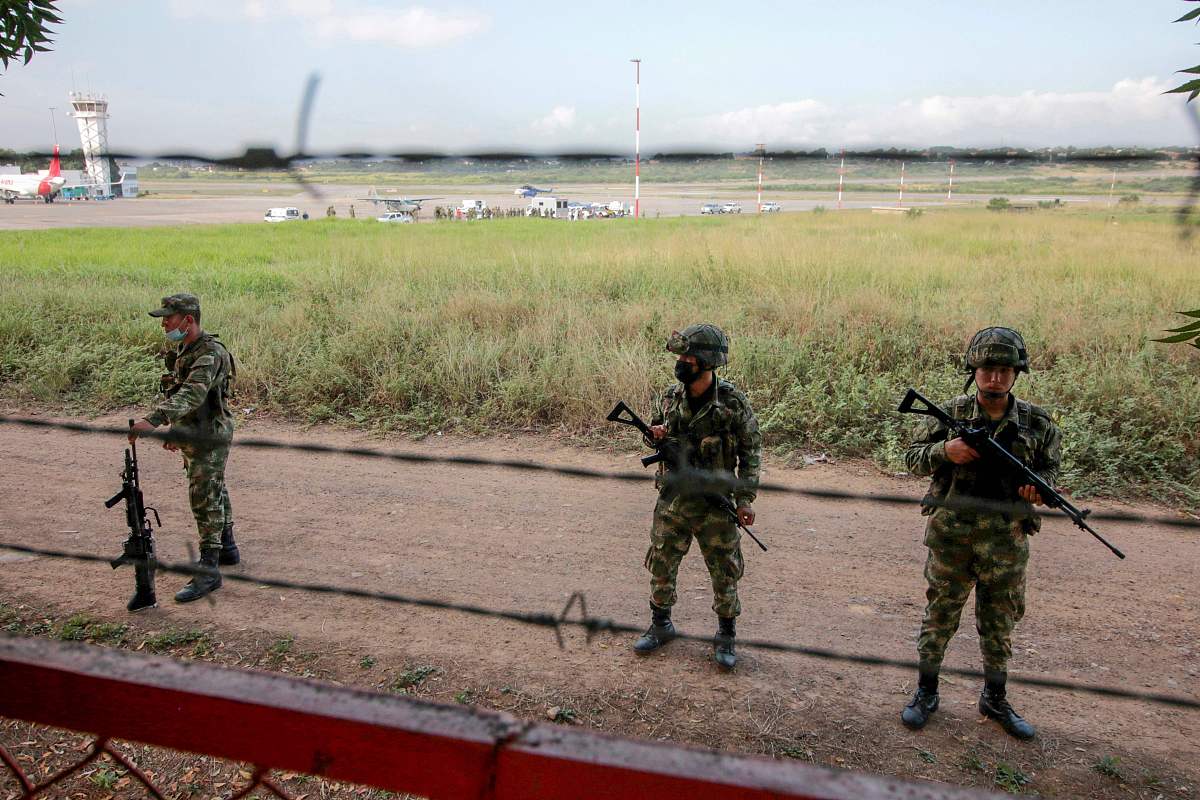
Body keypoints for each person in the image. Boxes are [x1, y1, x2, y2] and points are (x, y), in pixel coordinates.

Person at [900, 327, 1061, 740]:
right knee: (940, 617)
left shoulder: (1036, 422)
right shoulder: (949, 413)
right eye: (988, 368)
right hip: (951, 538)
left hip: (1006, 543)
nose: (995, 378)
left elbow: (1049, 470)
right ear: (974, 369)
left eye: (1004, 369)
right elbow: (911, 458)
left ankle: (995, 697)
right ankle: (926, 692)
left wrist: (1039, 489)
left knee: (999, 623)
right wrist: (945, 451)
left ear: (1016, 373)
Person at [635, 324, 762, 670]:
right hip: (674, 499)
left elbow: (752, 452)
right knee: (661, 563)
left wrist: (745, 499)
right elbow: (655, 435)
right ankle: (661, 625)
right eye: (679, 356)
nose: (681, 361)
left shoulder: (732, 403)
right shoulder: (669, 396)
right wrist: (655, 435)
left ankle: (725, 636)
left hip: (714, 504)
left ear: (706, 360)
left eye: (687, 356)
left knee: (724, 571)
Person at [129, 293, 239, 603]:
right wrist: (178, 430)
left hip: (210, 434)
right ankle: (227, 548)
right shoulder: (186, 349)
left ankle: (209, 568)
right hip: (196, 431)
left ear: (188, 320)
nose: (164, 322)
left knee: (203, 497)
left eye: (169, 317)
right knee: (214, 488)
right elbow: (190, 400)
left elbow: (192, 395)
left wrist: (153, 420)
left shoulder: (209, 353)